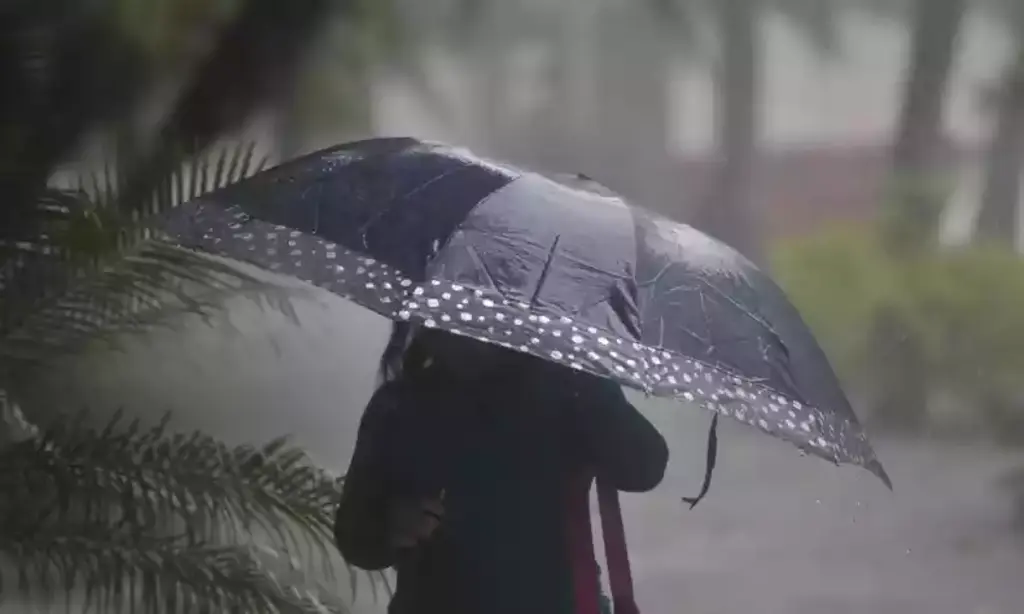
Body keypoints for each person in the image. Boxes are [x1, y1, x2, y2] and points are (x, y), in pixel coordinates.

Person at [334, 322, 669, 614]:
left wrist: (584, 371)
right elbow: (354, 535)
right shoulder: (402, 404)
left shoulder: (565, 386)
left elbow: (643, 467)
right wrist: (390, 521)